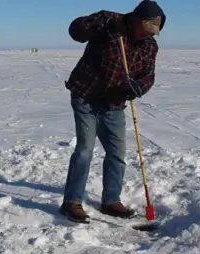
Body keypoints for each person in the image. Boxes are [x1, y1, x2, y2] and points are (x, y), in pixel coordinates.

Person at [60, 0, 166, 224]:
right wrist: (95, 26)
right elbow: (75, 31)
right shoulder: (110, 21)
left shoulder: (150, 46)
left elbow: (148, 76)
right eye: (147, 29)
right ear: (137, 20)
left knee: (117, 154)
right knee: (84, 150)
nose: (149, 35)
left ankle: (110, 201)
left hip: (115, 105)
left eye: (153, 32)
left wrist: (139, 87)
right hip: (86, 96)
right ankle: (72, 202)